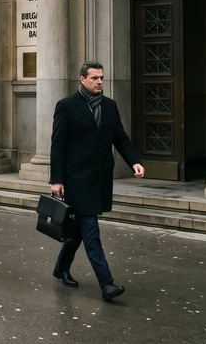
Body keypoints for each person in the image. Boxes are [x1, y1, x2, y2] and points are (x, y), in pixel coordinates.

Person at [50, 61, 144, 303]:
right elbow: (58, 145)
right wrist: (56, 179)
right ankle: (107, 284)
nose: (100, 82)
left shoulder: (110, 106)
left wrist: (134, 161)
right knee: (91, 230)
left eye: (101, 77)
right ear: (82, 79)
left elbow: (120, 137)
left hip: (100, 178)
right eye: (94, 78)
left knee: (78, 231)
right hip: (76, 179)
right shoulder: (66, 106)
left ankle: (61, 267)